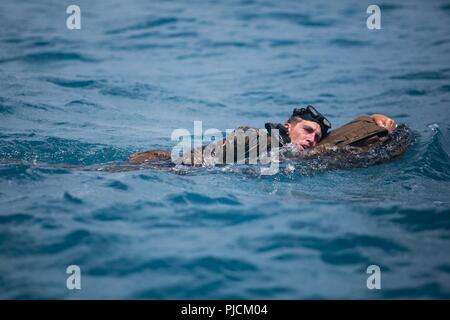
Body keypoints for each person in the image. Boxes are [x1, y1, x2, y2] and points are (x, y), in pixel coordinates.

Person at [127, 106, 398, 166]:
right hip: (166, 165)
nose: (312, 138)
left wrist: (370, 120)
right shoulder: (261, 140)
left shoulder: (292, 154)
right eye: (307, 129)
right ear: (287, 126)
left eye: (317, 136)